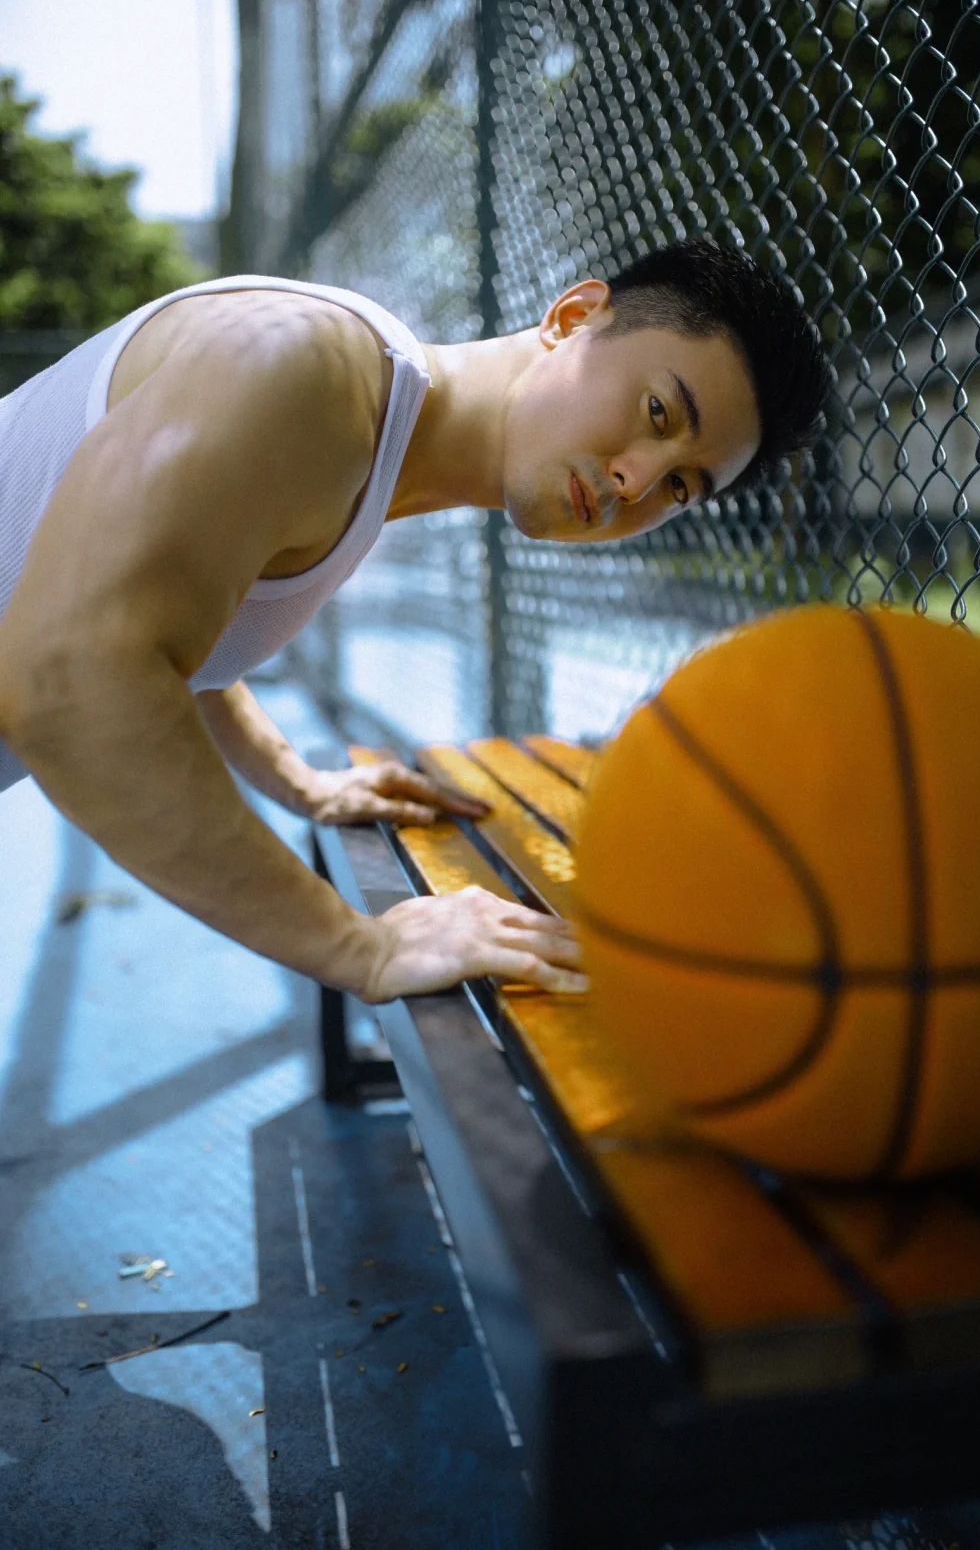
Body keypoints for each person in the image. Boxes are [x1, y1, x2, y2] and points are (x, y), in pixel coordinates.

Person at [0, 238, 829, 1003]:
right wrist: (359, 947)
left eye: (682, 486)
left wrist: (296, 779)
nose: (637, 480)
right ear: (573, 318)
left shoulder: (362, 427)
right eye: (657, 412)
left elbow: (178, 594)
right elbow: (65, 680)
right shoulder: (307, 371)